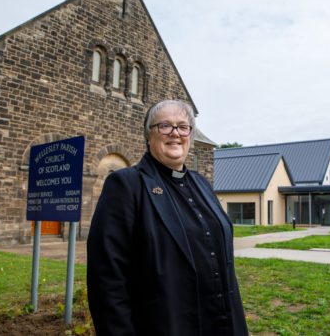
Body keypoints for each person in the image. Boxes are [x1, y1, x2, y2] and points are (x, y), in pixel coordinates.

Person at [87, 100, 249, 336]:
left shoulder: (202, 184)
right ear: (148, 135)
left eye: (183, 127)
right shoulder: (127, 185)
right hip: (166, 323)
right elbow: (107, 278)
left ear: (190, 137)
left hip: (221, 321)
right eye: (165, 126)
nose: (175, 133)